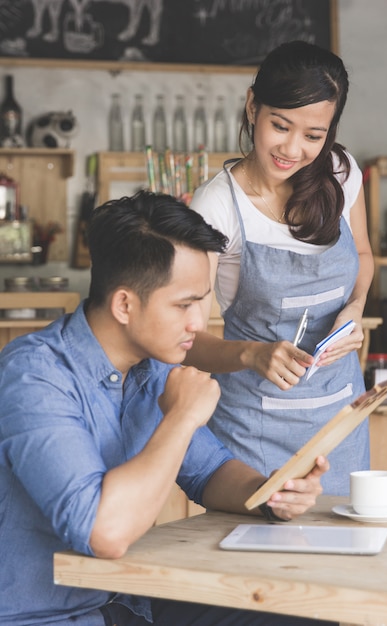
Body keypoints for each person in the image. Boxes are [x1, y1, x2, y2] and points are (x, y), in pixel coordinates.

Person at [0, 190, 333, 626]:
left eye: (202, 300)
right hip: (42, 616)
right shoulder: (33, 377)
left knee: (300, 610)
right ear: (124, 304)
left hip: (126, 600)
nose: (199, 322)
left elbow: (209, 472)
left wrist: (270, 494)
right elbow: (106, 534)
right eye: (184, 305)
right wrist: (181, 416)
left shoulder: (151, 366)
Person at [187, 40, 374, 496]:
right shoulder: (217, 206)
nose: (292, 148)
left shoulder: (341, 173)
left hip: (338, 423)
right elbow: (185, 340)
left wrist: (355, 308)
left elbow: (364, 257)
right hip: (254, 431)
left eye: (313, 136)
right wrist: (252, 354)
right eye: (280, 125)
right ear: (253, 107)